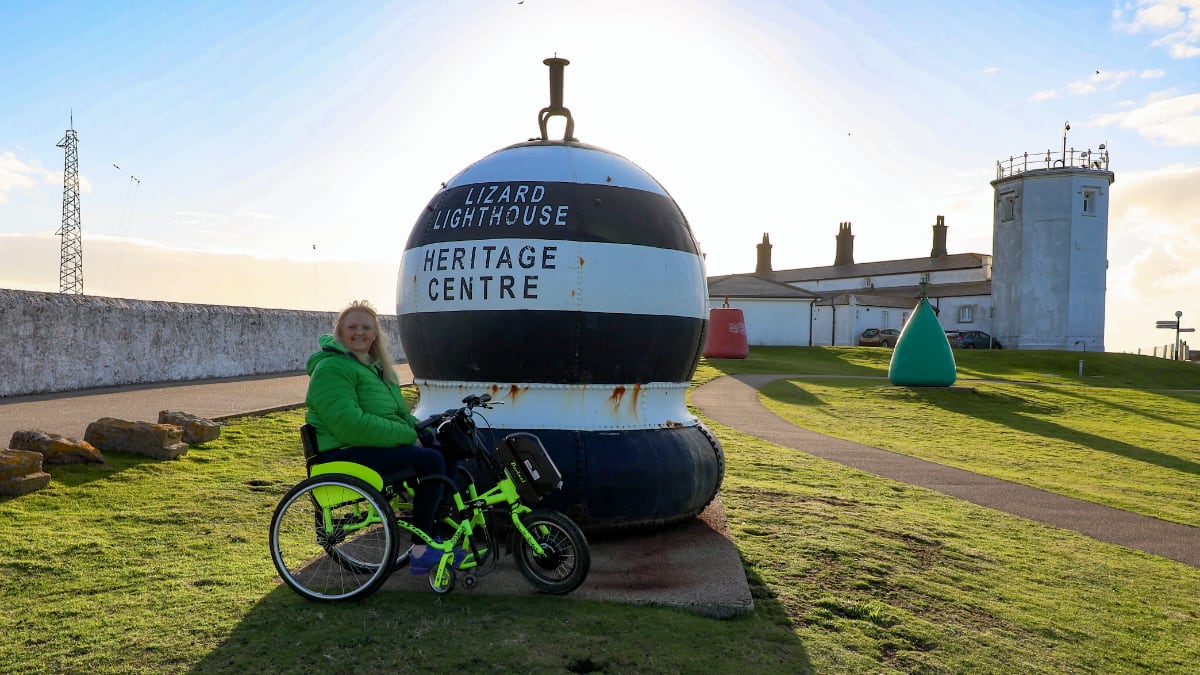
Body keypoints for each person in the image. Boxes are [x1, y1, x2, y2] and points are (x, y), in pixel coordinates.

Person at [304, 300, 463, 575]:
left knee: (445, 449)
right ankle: (421, 550)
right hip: (345, 451)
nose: (359, 332)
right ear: (339, 331)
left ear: (375, 333)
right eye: (352, 327)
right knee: (430, 461)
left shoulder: (375, 368)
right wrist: (406, 436)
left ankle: (435, 536)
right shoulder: (332, 368)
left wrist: (421, 429)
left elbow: (399, 414)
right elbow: (349, 425)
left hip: (368, 446)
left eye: (366, 327)